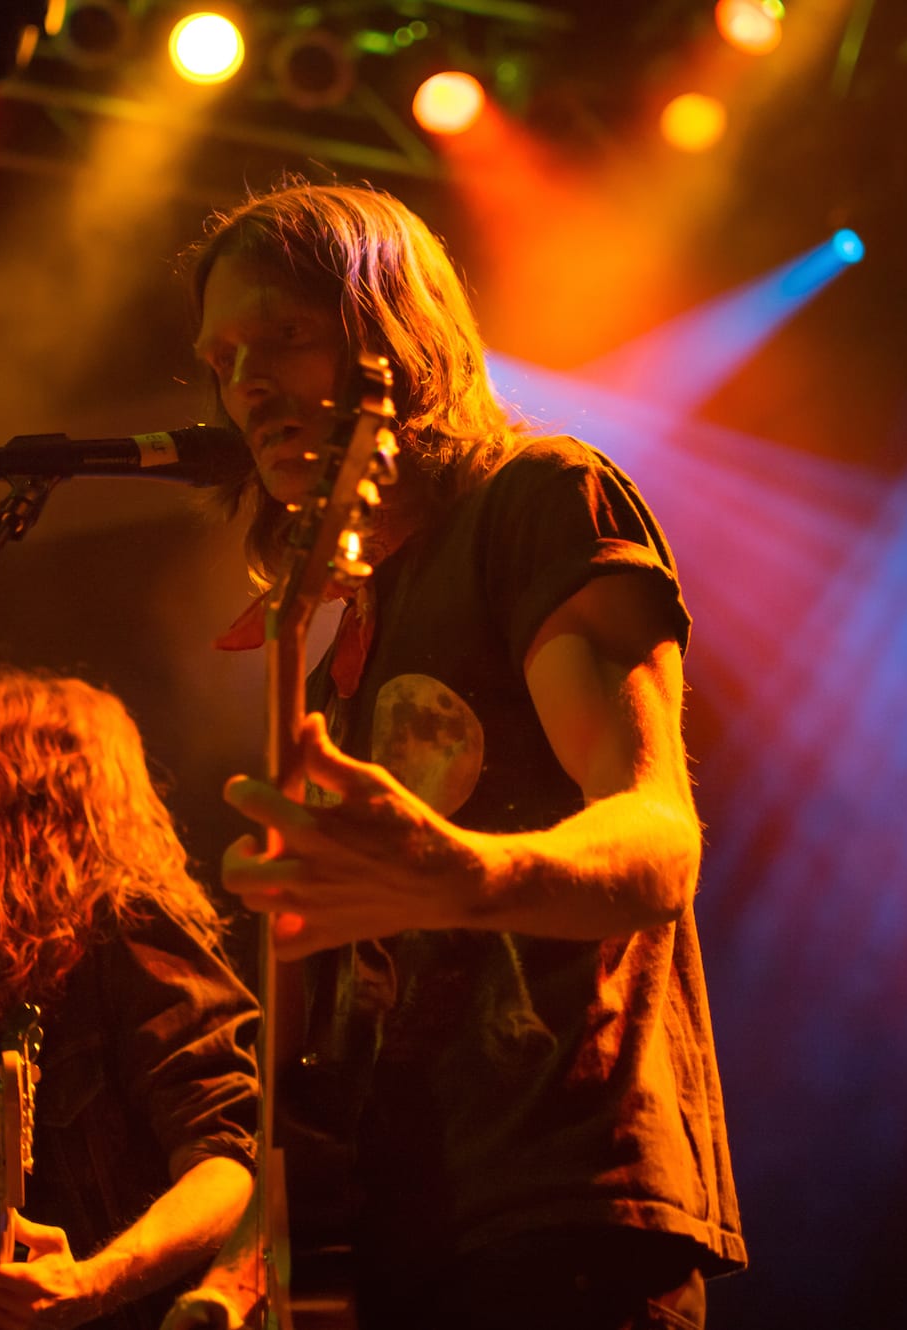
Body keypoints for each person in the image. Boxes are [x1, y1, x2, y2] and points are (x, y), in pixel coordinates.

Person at [183, 182, 745, 1329]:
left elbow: (656, 836)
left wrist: (465, 874)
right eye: (222, 358)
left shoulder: (540, 498)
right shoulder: (338, 644)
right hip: (395, 1223)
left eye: (282, 335)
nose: (247, 385)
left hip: (562, 1203)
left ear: (389, 335)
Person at [0, 668, 259, 1330]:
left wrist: (93, 1281)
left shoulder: (128, 927)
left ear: (37, 784)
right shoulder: (18, 973)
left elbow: (228, 1165)